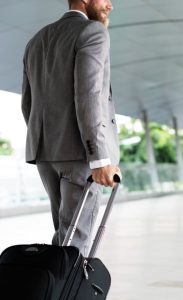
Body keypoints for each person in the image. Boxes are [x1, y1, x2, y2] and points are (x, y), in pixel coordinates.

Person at [21, 0, 121, 256]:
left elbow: (28, 104)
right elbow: (88, 95)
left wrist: (49, 142)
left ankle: (56, 291)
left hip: (45, 155)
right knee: (76, 242)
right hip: (81, 155)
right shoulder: (93, 31)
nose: (110, 5)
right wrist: (99, 158)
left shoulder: (37, 40)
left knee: (64, 237)